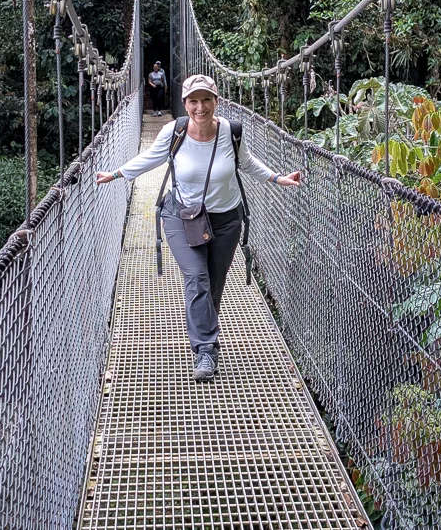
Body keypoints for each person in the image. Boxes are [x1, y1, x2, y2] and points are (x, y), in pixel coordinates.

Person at [97, 74, 300, 381]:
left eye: (207, 100)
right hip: (182, 216)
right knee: (197, 277)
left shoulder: (232, 132)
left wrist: (276, 178)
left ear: (216, 102)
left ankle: (202, 327)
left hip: (226, 219)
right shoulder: (174, 131)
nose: (200, 107)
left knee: (212, 286)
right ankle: (206, 350)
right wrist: (116, 174)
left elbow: (245, 163)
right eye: (193, 100)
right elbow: (151, 158)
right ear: (185, 103)